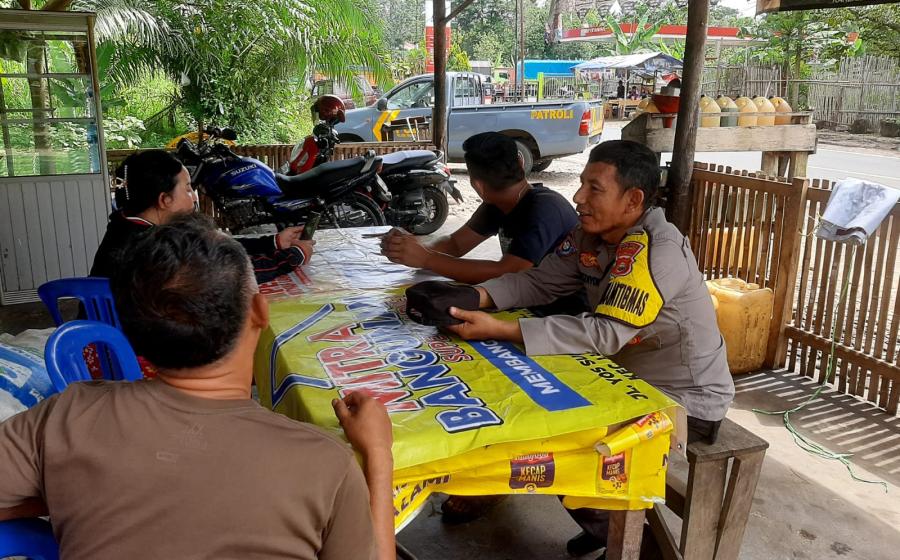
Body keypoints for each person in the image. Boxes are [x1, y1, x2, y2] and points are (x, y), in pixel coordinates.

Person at [0, 214, 395, 559]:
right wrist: (378, 454)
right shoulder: (327, 464)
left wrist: (70, 494)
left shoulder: (67, 415)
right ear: (260, 312)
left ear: (132, 331)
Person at [443, 140, 735, 557]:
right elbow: (538, 282)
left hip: (684, 401)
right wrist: (475, 300)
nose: (578, 197)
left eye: (594, 188)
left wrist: (502, 330)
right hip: (620, 379)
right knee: (523, 402)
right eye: (581, 184)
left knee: (557, 442)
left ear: (633, 199)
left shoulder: (654, 248)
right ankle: (602, 520)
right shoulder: (589, 235)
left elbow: (603, 334)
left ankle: (631, 538)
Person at [381, 132, 579, 288]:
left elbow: (508, 273)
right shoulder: (498, 204)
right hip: (533, 295)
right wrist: (410, 249)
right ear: (520, 163)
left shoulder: (544, 209)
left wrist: (426, 258)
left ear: (478, 186)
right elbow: (455, 244)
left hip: (567, 310)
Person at [91, 149, 314, 283]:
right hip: (128, 355)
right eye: (188, 189)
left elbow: (213, 248)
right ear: (164, 200)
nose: (194, 198)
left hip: (108, 343)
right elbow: (225, 272)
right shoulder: (153, 249)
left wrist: (274, 242)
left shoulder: (127, 226)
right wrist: (294, 256)